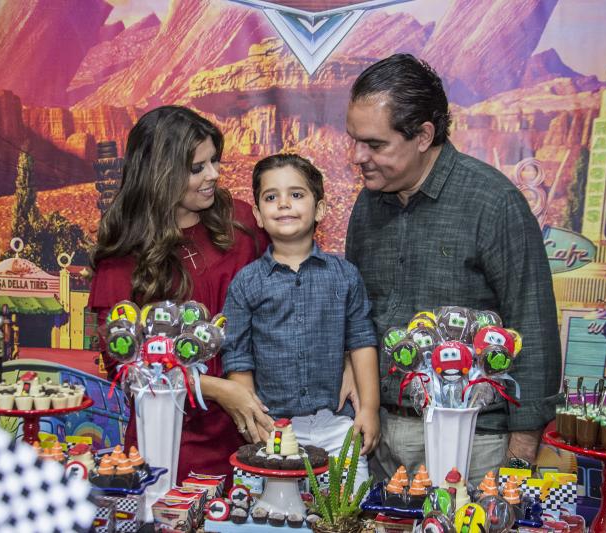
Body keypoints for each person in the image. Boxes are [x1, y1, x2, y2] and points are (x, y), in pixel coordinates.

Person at [344, 54, 562, 485]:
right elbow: (356, 314)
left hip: (476, 442)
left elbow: (533, 331)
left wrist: (518, 463)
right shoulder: (367, 205)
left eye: (374, 144)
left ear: (423, 135)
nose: (357, 156)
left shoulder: (492, 202)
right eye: (353, 140)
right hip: (383, 439)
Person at [88, 105, 274, 484]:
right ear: (160, 174)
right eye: (197, 168)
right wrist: (217, 389)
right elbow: (125, 367)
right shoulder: (123, 259)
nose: (214, 175)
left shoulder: (241, 223)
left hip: (252, 431)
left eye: (214, 161)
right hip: (168, 439)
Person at [221, 153, 381, 483]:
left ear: (319, 209)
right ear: (258, 215)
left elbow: (362, 341)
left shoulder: (345, 276)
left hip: (338, 427)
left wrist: (369, 409)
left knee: (346, 506)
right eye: (271, 197)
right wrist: (255, 422)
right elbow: (238, 356)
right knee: (272, 508)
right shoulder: (246, 282)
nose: (283, 204)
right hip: (274, 430)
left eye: (296, 194)